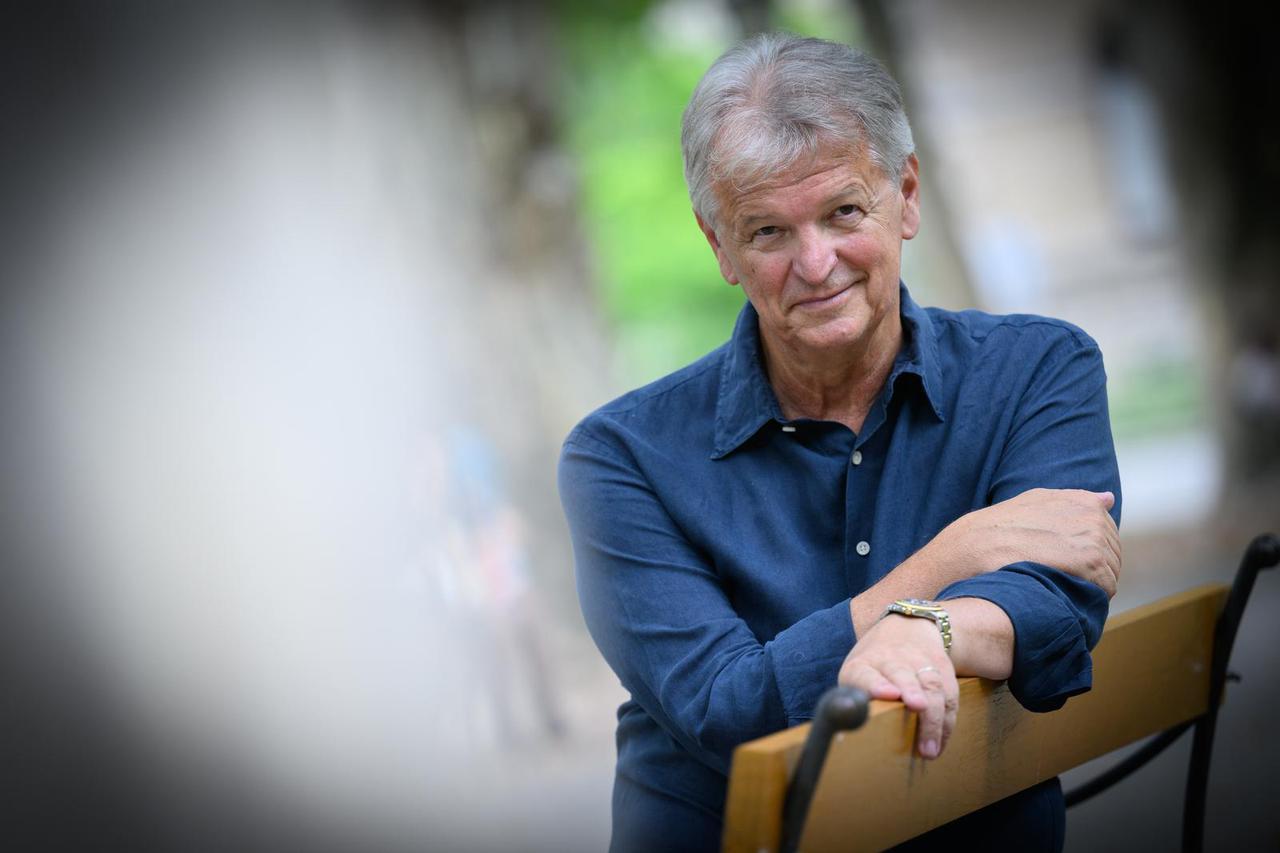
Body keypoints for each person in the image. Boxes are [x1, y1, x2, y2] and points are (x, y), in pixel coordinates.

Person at [558, 33, 1121, 853]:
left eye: (844, 212)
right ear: (719, 246)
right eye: (767, 232)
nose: (816, 263)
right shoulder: (620, 458)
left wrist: (923, 628)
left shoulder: (1038, 369)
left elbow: (1054, 602)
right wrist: (952, 560)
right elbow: (727, 709)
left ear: (908, 195)